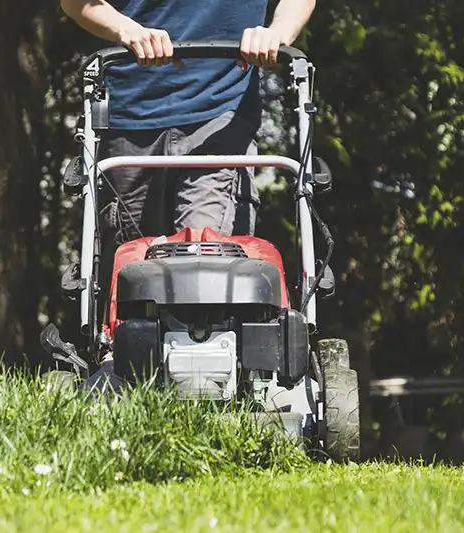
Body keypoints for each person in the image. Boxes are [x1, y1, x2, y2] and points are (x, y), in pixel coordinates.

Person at [51, 0, 316, 388]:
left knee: (206, 258)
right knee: (131, 273)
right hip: (129, 116)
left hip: (221, 111)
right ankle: (125, 381)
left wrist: (277, 34)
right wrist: (127, 30)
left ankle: (217, 393)